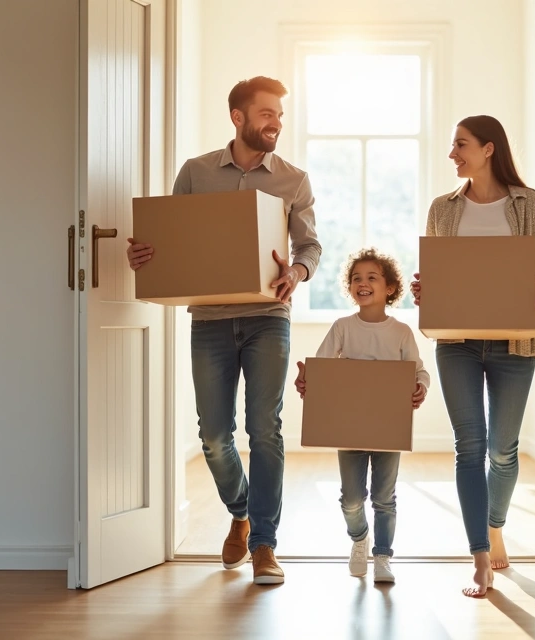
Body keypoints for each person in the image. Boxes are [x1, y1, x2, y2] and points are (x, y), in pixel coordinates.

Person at [125, 76, 321, 586]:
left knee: (266, 430)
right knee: (214, 436)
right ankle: (243, 510)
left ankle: (264, 545)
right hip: (210, 319)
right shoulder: (196, 173)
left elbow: (310, 249)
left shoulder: (293, 180)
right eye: (266, 113)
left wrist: (295, 275)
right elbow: (168, 240)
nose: (276, 121)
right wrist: (143, 255)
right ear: (238, 117)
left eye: (280, 113)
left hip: (267, 319)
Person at [409, 115, 535, 598]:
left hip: (514, 341)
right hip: (456, 343)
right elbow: (434, 272)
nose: (452, 154)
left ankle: (496, 524)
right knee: (469, 448)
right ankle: (479, 557)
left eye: (461, 145)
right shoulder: (443, 208)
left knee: (503, 449)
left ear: (489, 149)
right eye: (453, 145)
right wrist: (422, 288)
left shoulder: (525, 202)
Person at [293, 248, 430, 584]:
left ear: (390, 288)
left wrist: (420, 387)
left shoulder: (400, 333)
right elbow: (320, 369)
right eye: (356, 278)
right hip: (349, 427)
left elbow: (420, 371)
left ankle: (383, 556)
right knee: (351, 499)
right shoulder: (342, 328)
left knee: (385, 497)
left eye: (372, 277)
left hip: (388, 428)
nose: (363, 283)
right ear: (350, 287)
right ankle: (359, 540)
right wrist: (306, 378)